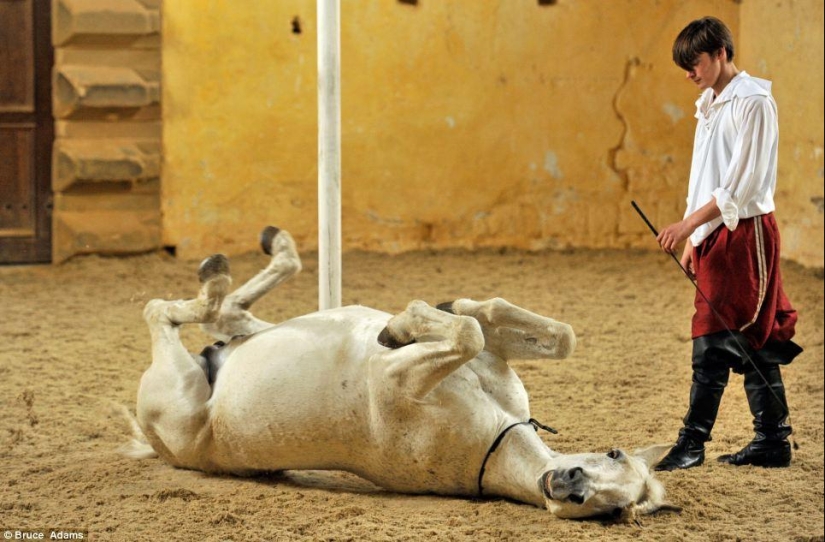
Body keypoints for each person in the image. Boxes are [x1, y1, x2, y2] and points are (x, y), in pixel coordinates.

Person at [653, 16, 802, 471]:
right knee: (749, 337)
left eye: (693, 63)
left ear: (720, 52)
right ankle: (773, 440)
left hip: (746, 231)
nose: (688, 74)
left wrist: (683, 225)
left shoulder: (754, 102)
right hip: (714, 230)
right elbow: (704, 179)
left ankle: (692, 443)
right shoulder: (710, 102)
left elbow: (740, 186)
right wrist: (694, 239)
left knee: (714, 337)